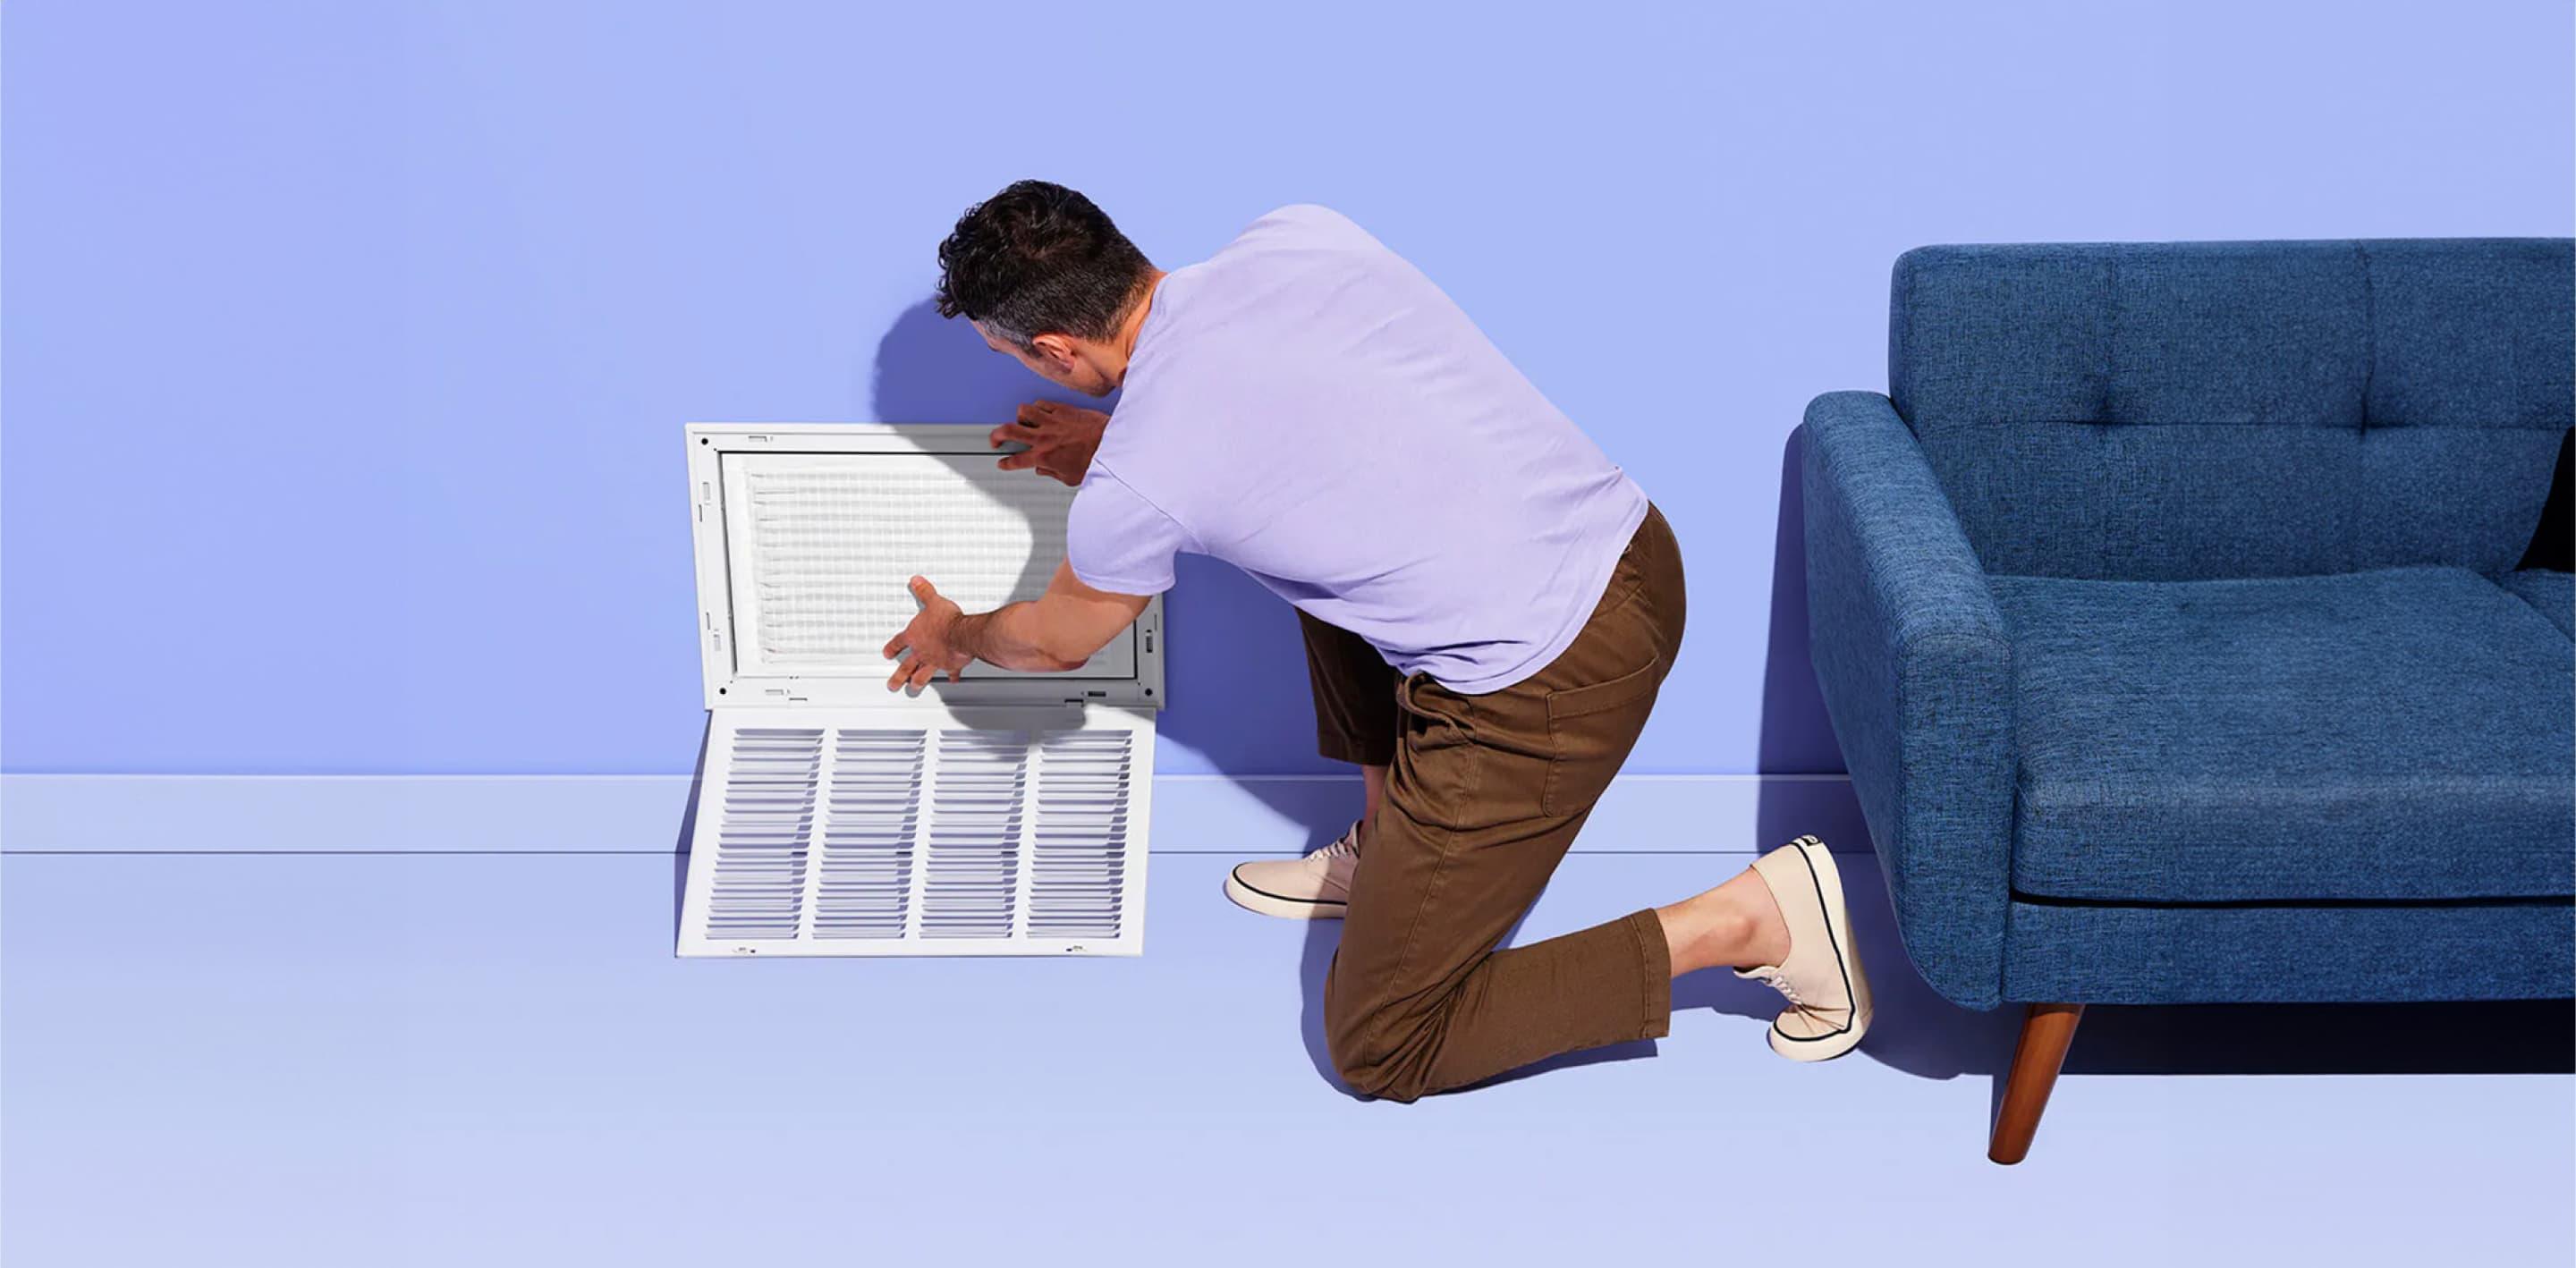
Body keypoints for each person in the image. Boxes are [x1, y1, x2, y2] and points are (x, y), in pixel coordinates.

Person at [880, 180, 1871, 1101]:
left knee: (1384, 1041)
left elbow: (1057, 641)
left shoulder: (1142, 482)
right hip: (1638, 553)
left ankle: (1752, 913)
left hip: (1550, 681)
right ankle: (1388, 846)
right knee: (1309, 541)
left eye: (1008, 355)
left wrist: (958, 629)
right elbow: (1293, 419)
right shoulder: (1296, 235)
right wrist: (1119, 454)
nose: (1014, 370)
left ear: (1055, 350)